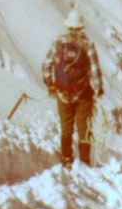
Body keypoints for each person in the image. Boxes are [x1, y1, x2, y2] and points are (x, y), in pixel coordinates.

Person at [42, 10, 103, 168]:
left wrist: (51, 85)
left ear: (68, 26)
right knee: (84, 127)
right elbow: (95, 71)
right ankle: (84, 162)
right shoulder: (88, 45)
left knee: (66, 127)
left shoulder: (58, 42)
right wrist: (98, 90)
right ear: (81, 27)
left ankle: (67, 159)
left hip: (62, 91)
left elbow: (46, 66)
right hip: (82, 92)